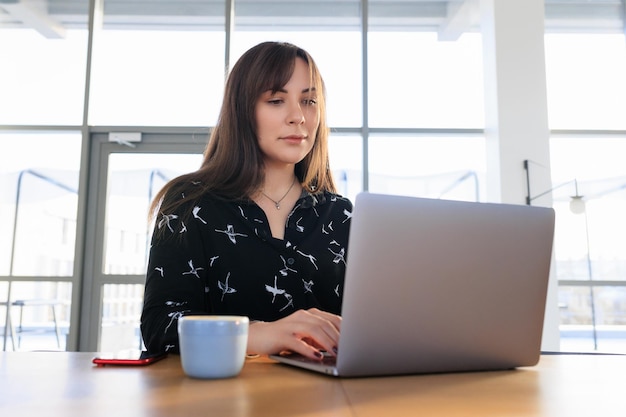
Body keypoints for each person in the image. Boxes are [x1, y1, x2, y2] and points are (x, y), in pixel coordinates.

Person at [140, 41, 353, 361]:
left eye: (309, 101)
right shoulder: (190, 204)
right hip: (219, 401)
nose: (298, 117)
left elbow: (369, 328)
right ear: (242, 111)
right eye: (277, 100)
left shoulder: (341, 214)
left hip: (328, 403)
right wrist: (258, 334)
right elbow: (160, 327)